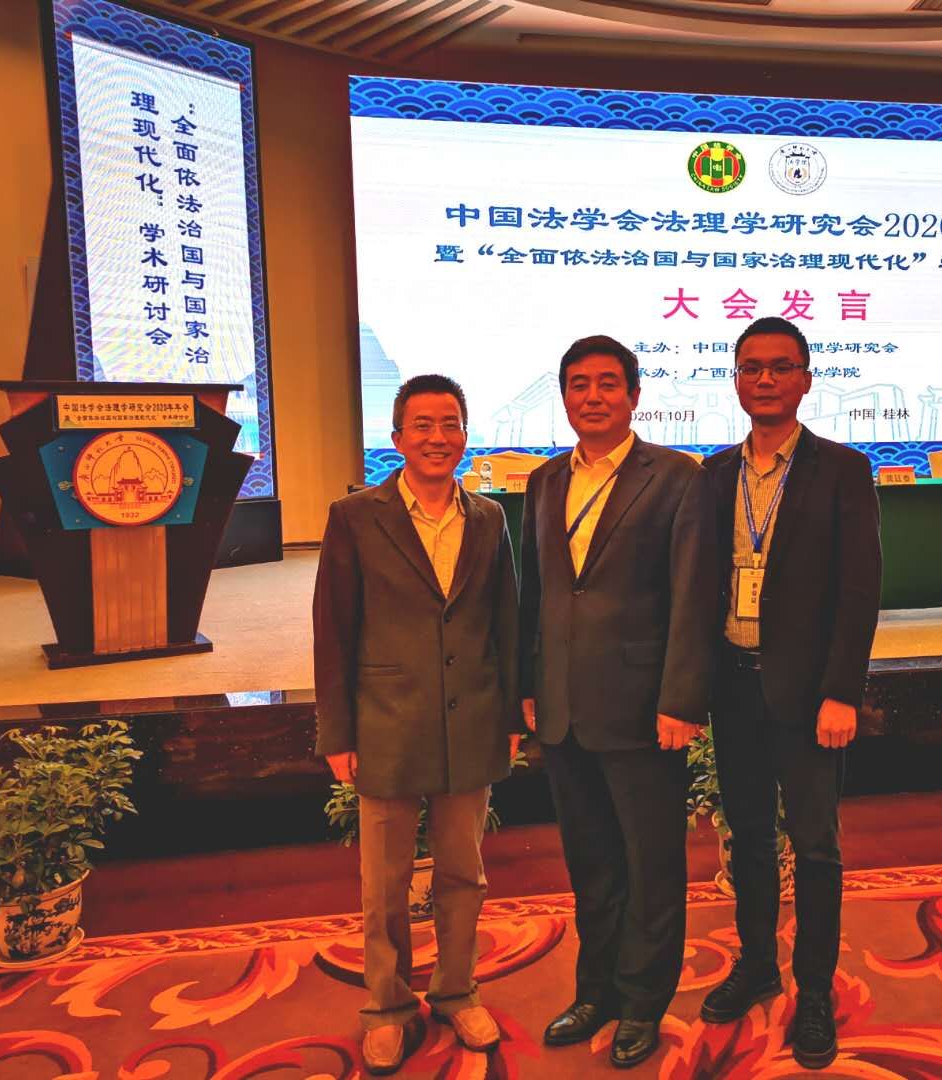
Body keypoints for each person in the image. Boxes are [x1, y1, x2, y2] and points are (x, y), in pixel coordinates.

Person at [313, 374, 523, 1076]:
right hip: (386, 722)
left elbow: (505, 622)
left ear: (465, 434)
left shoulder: (488, 516)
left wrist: (510, 712)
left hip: (472, 719)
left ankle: (457, 990)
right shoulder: (355, 516)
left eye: (451, 424)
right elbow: (333, 629)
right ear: (398, 437)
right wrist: (337, 731)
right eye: (423, 425)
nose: (438, 437)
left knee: (465, 872)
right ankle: (388, 1006)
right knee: (385, 884)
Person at [519, 335, 713, 1069]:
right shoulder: (544, 481)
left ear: (634, 395)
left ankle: (642, 1003)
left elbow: (693, 595)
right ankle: (594, 991)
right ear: (564, 396)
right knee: (592, 863)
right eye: (579, 384)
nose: (592, 396)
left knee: (651, 866)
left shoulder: (676, 476)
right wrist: (528, 686)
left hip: (644, 709)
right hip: (563, 709)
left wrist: (682, 698)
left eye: (607, 383)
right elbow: (536, 594)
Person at [699, 316, 882, 1070]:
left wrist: (842, 692)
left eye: (780, 367)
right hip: (733, 686)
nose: (765, 379)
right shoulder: (714, 474)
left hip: (808, 696)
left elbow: (859, 587)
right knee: (746, 837)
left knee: (815, 845)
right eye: (751, 368)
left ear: (805, 380)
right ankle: (756, 964)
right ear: (737, 381)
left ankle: (812, 990)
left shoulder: (842, 468)